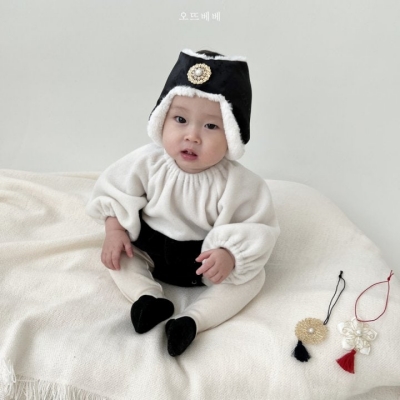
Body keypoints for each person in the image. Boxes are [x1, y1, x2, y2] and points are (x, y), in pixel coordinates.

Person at [86, 49, 280, 356]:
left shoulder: (239, 184)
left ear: (232, 134)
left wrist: (230, 255)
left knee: (253, 279)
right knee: (117, 256)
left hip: (205, 262)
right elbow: (116, 193)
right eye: (180, 119)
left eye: (211, 126)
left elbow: (255, 227)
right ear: (161, 119)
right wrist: (114, 230)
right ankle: (148, 298)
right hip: (149, 247)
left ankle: (192, 321)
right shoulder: (147, 162)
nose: (192, 136)